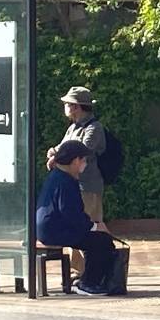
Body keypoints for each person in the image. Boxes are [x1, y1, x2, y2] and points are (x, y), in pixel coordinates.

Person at [36, 140, 116, 296]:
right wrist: (95, 226)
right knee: (102, 241)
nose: (85, 164)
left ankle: (87, 280)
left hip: (50, 228)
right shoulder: (66, 180)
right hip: (56, 231)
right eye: (83, 160)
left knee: (95, 240)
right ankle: (88, 283)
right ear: (75, 161)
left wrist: (91, 226)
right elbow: (71, 213)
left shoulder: (56, 176)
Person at [47, 86, 106, 276]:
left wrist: (57, 156)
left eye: (67, 104)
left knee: (89, 227)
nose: (65, 107)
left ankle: (92, 271)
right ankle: (79, 271)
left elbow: (81, 151)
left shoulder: (94, 128)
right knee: (74, 226)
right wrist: (54, 152)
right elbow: (61, 148)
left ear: (76, 106)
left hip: (88, 186)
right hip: (73, 186)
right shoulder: (72, 128)